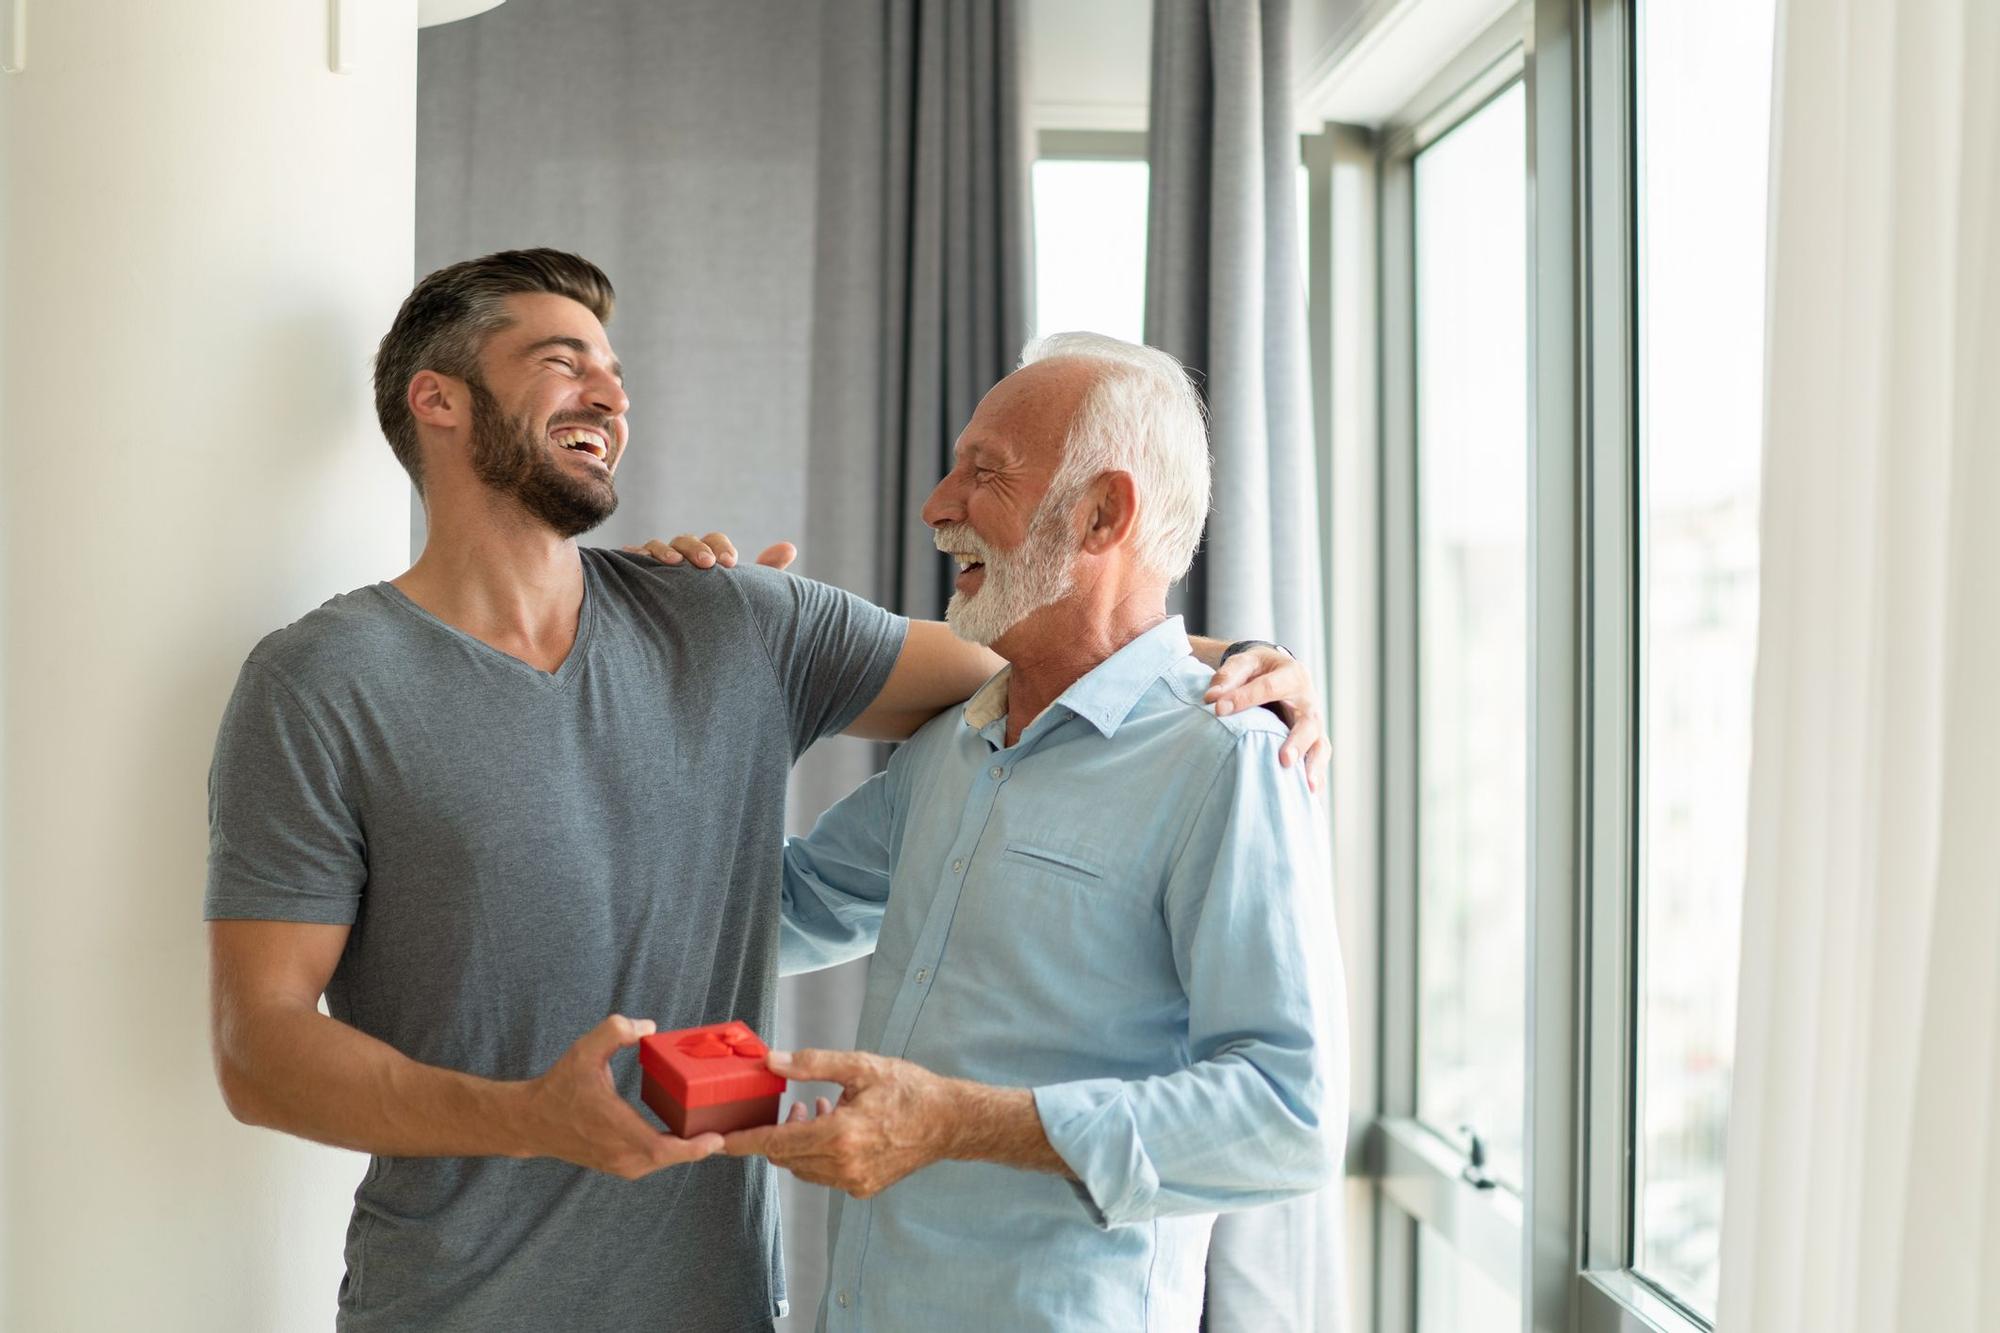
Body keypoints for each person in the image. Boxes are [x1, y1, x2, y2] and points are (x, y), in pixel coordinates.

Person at [204, 249, 1322, 1331]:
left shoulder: (735, 619)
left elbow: (1064, 664)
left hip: (723, 1302)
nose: (610, 391)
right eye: (561, 360)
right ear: (436, 402)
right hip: (451, 1302)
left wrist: (1246, 663)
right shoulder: (323, 681)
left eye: (616, 371)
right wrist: (525, 1118)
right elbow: (260, 1048)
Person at [713, 331, 1348, 1332]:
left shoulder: (1224, 762)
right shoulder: (952, 745)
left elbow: (1287, 1118)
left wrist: (960, 1123)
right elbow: (783, 911)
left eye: (983, 472)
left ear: (1102, 513)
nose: (935, 504)